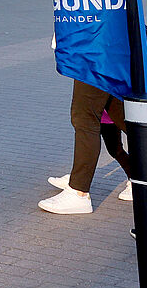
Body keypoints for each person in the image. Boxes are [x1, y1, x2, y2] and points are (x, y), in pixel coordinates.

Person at [38, 79, 134, 215]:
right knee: (118, 132)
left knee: (88, 122)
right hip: (106, 69)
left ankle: (79, 190)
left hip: (97, 64)